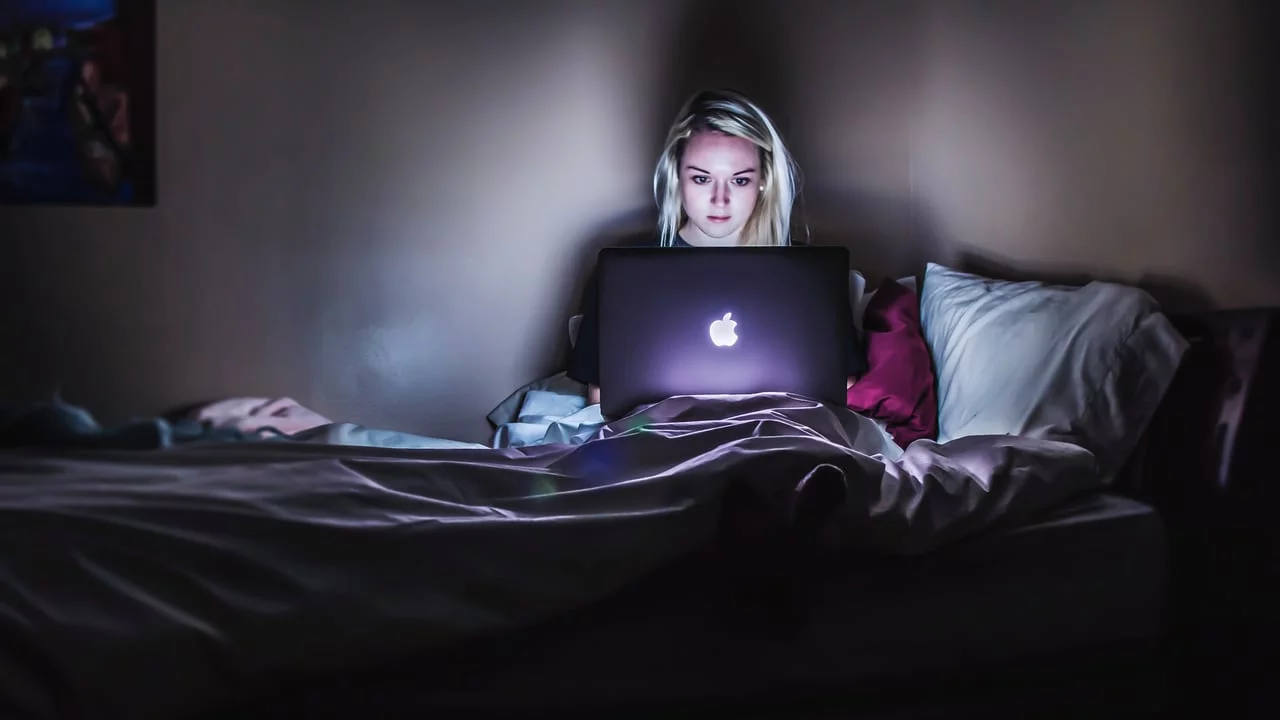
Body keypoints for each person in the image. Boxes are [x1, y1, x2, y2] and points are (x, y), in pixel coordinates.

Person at [567, 88, 868, 405]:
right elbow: (602, 395)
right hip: (666, 430)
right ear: (677, 176)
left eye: (739, 180)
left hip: (776, 426)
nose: (720, 200)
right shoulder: (625, 275)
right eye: (702, 179)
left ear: (763, 181)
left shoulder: (807, 273)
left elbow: (842, 384)